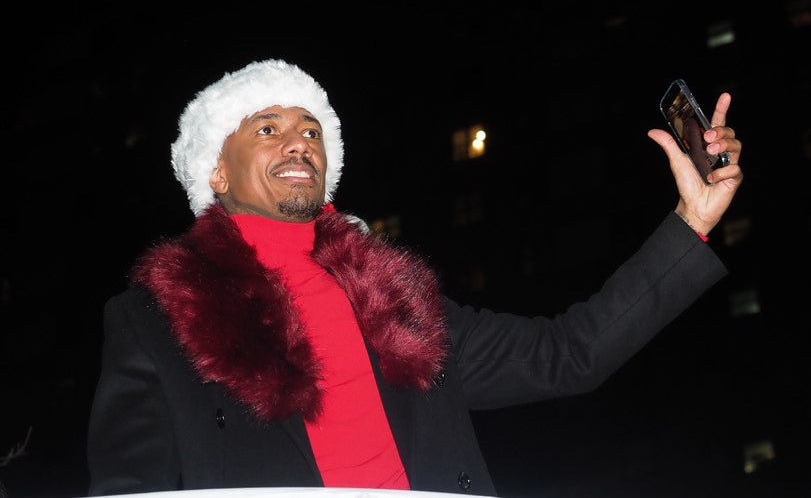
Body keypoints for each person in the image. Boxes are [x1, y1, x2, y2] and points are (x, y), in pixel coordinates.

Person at [86, 59, 744, 497]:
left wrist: (691, 220)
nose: (298, 142)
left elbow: (566, 353)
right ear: (217, 173)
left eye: (311, 129)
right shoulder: (157, 317)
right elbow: (130, 488)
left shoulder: (395, 300)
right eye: (267, 127)